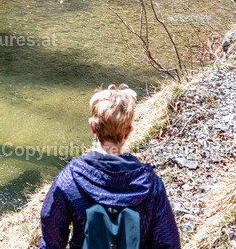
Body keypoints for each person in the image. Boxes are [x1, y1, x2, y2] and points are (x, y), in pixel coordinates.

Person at [40, 85, 181, 249]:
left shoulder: (69, 179)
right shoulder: (151, 186)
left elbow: (51, 239)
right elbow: (168, 243)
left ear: (92, 127)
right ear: (128, 132)